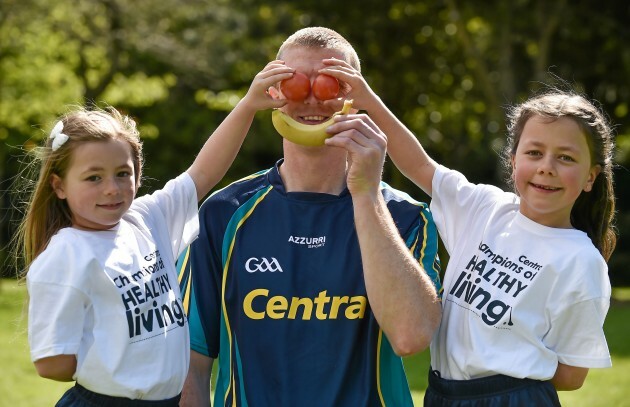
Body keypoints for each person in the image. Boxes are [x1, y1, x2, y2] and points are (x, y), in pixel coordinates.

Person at [177, 26, 442, 406]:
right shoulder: (225, 213)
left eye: (331, 85)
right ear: (273, 93)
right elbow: (192, 360)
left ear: (355, 97)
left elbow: (411, 336)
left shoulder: (403, 216)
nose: (314, 100)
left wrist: (365, 193)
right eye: (297, 83)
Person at [339, 74, 615, 405]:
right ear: (513, 161)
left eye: (566, 157)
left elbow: (572, 375)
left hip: (514, 397)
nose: (547, 167)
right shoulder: (484, 208)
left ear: (590, 177)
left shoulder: (580, 260)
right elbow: (419, 165)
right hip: (443, 393)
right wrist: (366, 98)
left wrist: (511, 367)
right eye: (535, 152)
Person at [17, 74, 285, 406]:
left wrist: (248, 105)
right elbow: (52, 363)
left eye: (122, 173)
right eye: (93, 177)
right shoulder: (66, 254)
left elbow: (203, 173)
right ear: (59, 186)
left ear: (138, 172)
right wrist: (113, 361)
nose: (111, 188)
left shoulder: (146, 218)